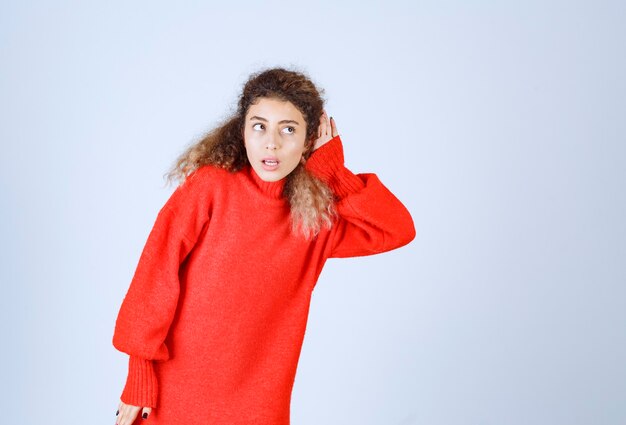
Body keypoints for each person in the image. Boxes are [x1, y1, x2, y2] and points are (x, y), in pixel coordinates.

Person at [112, 67, 416, 425]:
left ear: (308, 141)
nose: (271, 142)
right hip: (174, 394)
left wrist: (335, 174)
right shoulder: (210, 188)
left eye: (288, 129)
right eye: (259, 126)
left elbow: (396, 229)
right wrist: (139, 373)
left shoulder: (313, 220)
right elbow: (155, 274)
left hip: (259, 406)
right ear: (243, 132)